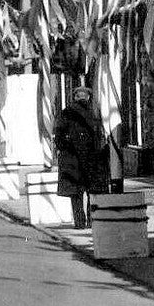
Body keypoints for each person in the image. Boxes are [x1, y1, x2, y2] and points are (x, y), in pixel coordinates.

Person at [55, 86, 108, 229]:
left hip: (72, 159)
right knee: (93, 191)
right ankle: (92, 221)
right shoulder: (95, 112)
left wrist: (64, 149)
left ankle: (79, 223)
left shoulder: (66, 112)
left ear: (75, 97)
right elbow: (101, 135)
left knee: (76, 193)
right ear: (88, 97)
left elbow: (58, 136)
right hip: (92, 158)